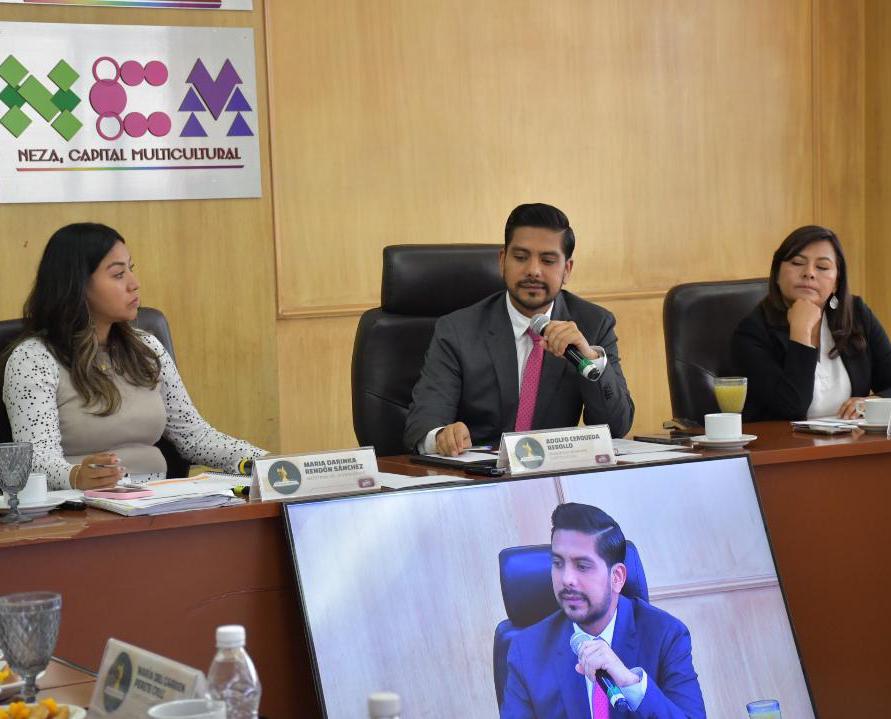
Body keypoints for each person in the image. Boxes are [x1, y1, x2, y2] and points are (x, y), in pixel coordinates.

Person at [2, 223, 266, 490]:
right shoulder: (32, 359)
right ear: (77, 284)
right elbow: (36, 461)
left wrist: (267, 462)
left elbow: (194, 437)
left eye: (131, 269)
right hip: (81, 505)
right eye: (118, 274)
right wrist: (75, 476)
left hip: (159, 499)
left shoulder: (147, 347)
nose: (134, 284)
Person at [403, 203, 634, 455]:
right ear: (503, 261)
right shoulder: (457, 330)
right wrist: (441, 437)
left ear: (567, 270)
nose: (533, 271)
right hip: (479, 471)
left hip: (554, 472)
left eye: (548, 260)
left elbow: (617, 427)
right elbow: (423, 422)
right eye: (521, 258)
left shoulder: (594, 324)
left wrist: (590, 361)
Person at [501, 503, 706, 719]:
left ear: (616, 577)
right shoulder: (527, 650)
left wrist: (631, 684)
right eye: (558, 563)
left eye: (582, 566)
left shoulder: (665, 635)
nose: (567, 579)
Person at [732, 225, 891, 421]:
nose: (809, 273)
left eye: (822, 267)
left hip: (854, 438)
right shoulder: (752, 332)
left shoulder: (857, 314)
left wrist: (873, 402)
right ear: (777, 274)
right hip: (786, 440)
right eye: (797, 263)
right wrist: (801, 332)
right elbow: (790, 409)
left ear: (836, 281)